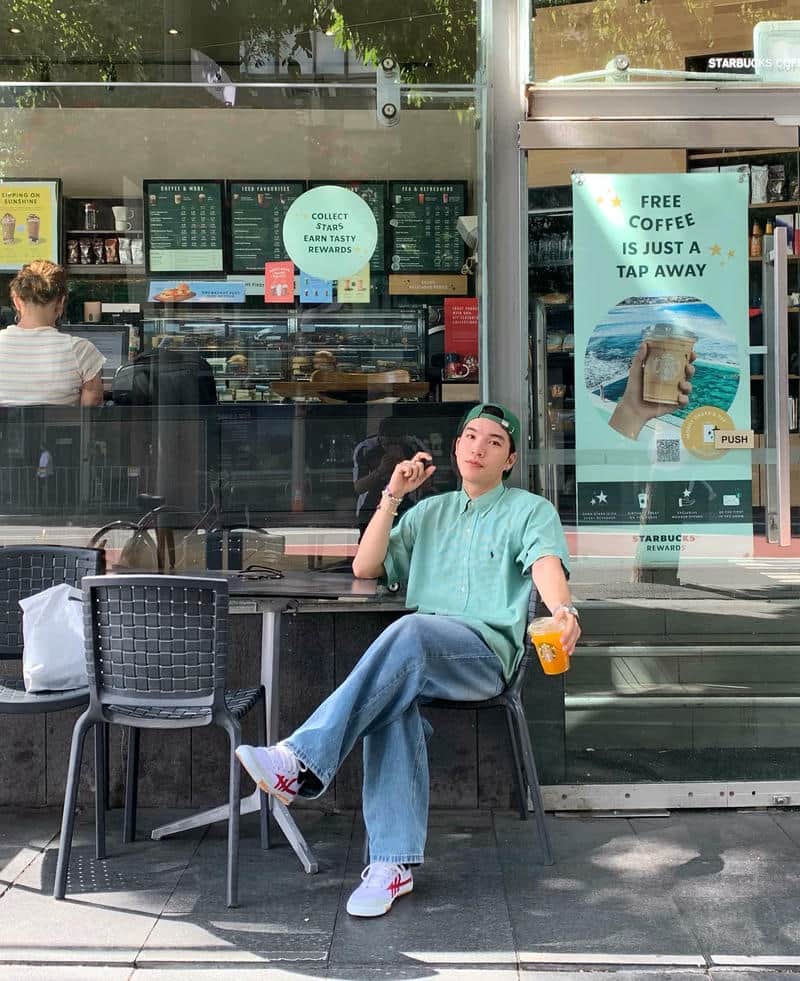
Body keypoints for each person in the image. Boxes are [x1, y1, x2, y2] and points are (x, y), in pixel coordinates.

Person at [236, 402, 579, 918]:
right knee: (392, 702)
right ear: (456, 447)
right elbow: (366, 566)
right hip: (418, 659)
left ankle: (301, 761)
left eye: (494, 442)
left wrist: (564, 611)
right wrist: (393, 495)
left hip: (483, 657)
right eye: (470, 437)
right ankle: (391, 865)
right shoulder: (428, 513)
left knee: (409, 634)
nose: (478, 448)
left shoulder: (530, 510)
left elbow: (546, 564)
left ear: (509, 460)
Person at [0, 260, 104, 406]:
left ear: (17, 301)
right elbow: (92, 404)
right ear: (61, 303)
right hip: (63, 423)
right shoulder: (81, 350)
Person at [352, 415, 430, 536]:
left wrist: (407, 465)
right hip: (372, 508)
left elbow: (427, 484)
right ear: (380, 438)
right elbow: (359, 487)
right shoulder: (366, 449)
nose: (392, 448)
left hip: (406, 507)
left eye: (397, 443)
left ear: (404, 439)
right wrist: (380, 470)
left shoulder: (414, 448)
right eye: (388, 444)